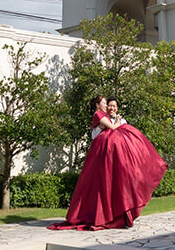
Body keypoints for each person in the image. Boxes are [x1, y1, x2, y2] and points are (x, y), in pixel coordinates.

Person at [50, 94, 167, 230]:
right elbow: (112, 128)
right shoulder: (99, 115)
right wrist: (117, 123)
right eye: (105, 104)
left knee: (111, 183)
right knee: (105, 184)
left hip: (107, 154)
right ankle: (108, 216)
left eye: (109, 105)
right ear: (97, 105)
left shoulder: (104, 116)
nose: (107, 106)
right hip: (103, 154)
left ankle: (115, 215)